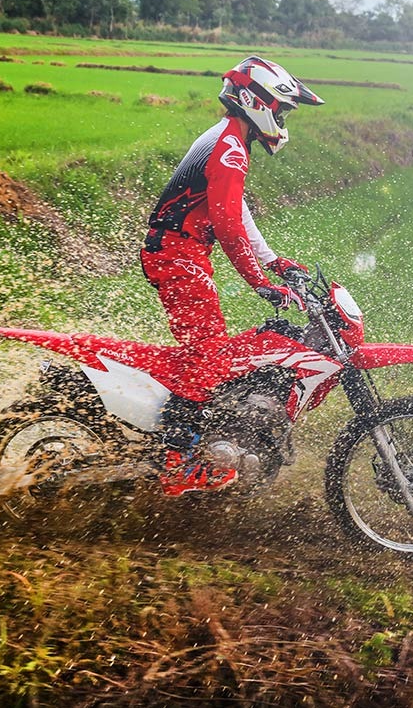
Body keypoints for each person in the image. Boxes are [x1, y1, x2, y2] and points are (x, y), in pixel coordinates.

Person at [140, 55, 324, 495]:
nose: (280, 118)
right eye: (280, 109)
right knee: (205, 354)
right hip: (177, 254)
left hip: (182, 251)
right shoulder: (228, 149)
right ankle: (176, 462)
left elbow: (236, 212)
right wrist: (259, 282)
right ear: (257, 101)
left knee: (210, 351)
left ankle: (202, 439)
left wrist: (274, 261)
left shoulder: (227, 140)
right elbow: (226, 226)